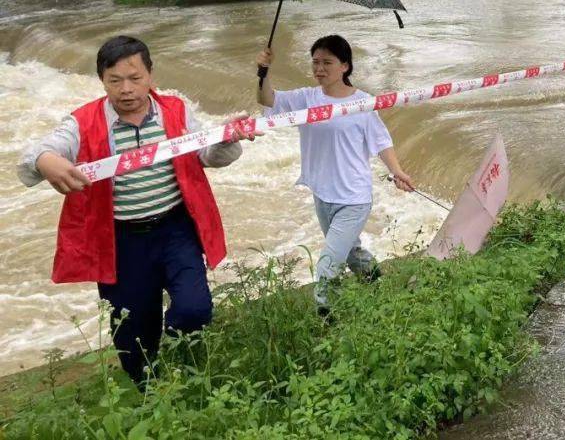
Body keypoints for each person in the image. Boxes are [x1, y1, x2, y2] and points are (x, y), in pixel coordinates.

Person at [18, 36, 257, 384]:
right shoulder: (83, 121)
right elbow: (36, 153)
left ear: (151, 76)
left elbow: (207, 156)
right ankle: (149, 389)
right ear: (102, 80)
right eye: (115, 80)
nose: (126, 89)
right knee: (132, 331)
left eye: (135, 78)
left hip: (176, 229)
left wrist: (226, 137)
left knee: (194, 308)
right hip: (121, 241)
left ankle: (181, 353)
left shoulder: (175, 110)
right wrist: (47, 161)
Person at [256, 34, 415, 314]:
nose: (319, 69)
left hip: (354, 197)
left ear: (345, 66)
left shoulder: (362, 103)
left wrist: (397, 172)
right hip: (323, 195)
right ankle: (378, 286)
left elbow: (381, 142)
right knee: (351, 253)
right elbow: (267, 98)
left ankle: (328, 318)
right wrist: (263, 71)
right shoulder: (306, 97)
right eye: (315, 62)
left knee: (328, 263)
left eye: (327, 62)